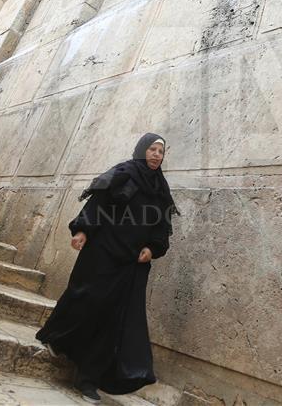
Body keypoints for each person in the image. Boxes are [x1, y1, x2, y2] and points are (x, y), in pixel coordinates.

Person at [36, 133, 179, 403]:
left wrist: (153, 248)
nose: (156, 155)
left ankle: (87, 379)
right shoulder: (123, 173)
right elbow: (98, 203)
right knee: (84, 299)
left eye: (161, 151)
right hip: (101, 253)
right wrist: (83, 231)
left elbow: (161, 227)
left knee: (113, 321)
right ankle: (58, 338)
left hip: (131, 264)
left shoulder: (161, 189)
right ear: (141, 150)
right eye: (152, 149)